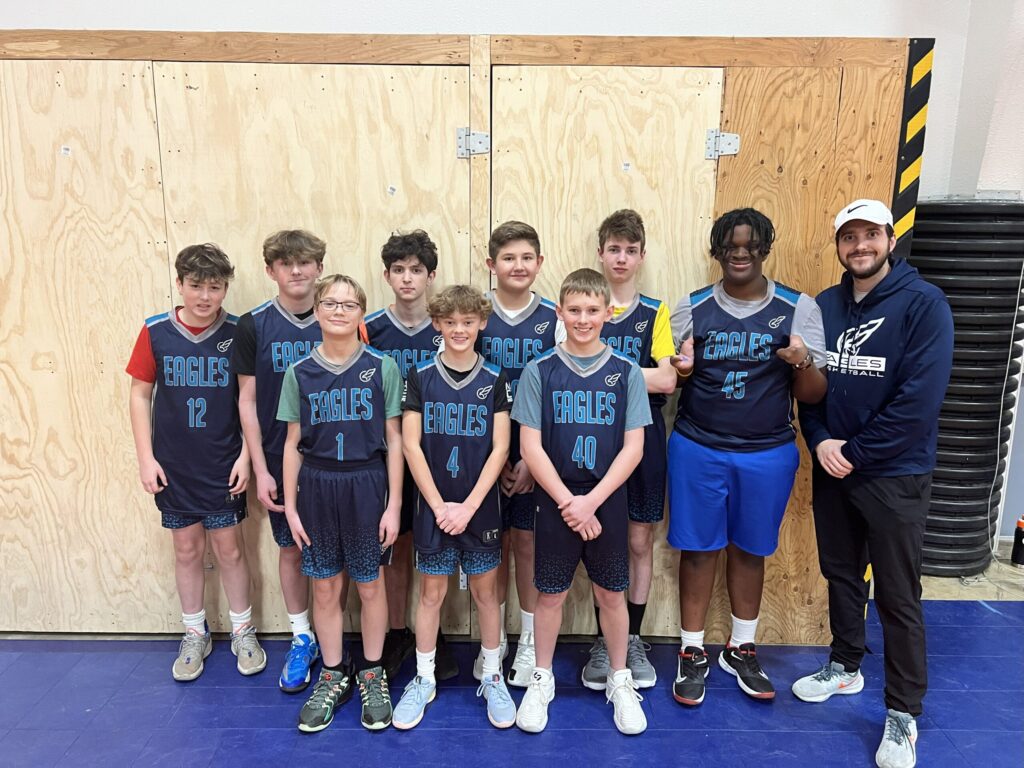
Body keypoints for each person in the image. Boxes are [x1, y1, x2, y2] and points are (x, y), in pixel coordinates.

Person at [793, 199, 953, 768]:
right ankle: (845, 666)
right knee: (841, 573)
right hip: (834, 467)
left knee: (897, 594)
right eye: (849, 237)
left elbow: (918, 403)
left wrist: (852, 453)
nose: (859, 246)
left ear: (888, 238)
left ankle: (904, 713)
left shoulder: (924, 304)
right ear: (839, 245)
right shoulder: (824, 306)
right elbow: (809, 385)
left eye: (869, 235)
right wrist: (819, 440)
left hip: (894, 475)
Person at [668, 208, 827, 706]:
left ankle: (741, 646)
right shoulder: (691, 307)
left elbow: (814, 393)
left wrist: (801, 361)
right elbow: (674, 379)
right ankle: (692, 650)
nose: (741, 253)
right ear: (716, 250)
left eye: (751, 244)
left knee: (750, 549)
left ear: (765, 248)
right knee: (698, 549)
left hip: (767, 451)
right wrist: (683, 371)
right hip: (698, 445)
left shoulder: (797, 308)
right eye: (731, 245)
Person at [513, 268, 649, 736]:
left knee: (610, 593)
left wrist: (591, 501)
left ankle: (619, 679)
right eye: (574, 310)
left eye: (593, 310)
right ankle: (542, 679)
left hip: (605, 498)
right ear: (560, 313)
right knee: (550, 594)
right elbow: (530, 446)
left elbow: (634, 448)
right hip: (556, 498)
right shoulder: (540, 370)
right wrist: (570, 501)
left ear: (609, 313)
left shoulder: (626, 372)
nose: (584, 319)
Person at [127, 243, 266, 682]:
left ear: (225, 287)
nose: (205, 296)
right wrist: (146, 458)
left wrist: (246, 455)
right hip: (174, 465)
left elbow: (250, 400)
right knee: (186, 549)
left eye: (215, 287)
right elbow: (139, 395)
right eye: (196, 286)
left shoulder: (239, 331)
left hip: (223, 463)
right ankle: (194, 632)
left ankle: (243, 630)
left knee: (230, 548)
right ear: (179, 284)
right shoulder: (155, 331)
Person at [279, 274, 403, 732]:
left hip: (366, 482)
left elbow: (395, 438)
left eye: (349, 305)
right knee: (326, 586)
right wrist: (291, 507)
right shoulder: (299, 372)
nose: (338, 311)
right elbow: (292, 443)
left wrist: (393, 504)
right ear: (316, 311)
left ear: (361, 314)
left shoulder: (382, 366)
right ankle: (332, 673)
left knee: (370, 584)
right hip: (317, 483)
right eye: (330, 303)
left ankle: (372, 671)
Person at [393, 284, 517, 730]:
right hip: (433, 507)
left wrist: (467, 507)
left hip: (480, 508)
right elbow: (410, 445)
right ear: (437, 324)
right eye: (450, 322)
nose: (459, 329)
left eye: (468, 321)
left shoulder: (495, 378)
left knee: (487, 594)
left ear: (481, 323)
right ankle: (423, 678)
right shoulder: (420, 376)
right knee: (431, 594)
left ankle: (493, 675)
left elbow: (501, 448)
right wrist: (439, 506)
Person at [584, 209, 676, 691]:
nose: (621, 258)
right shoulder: (584, 306)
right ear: (601, 253)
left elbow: (667, 379)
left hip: (643, 433)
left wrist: (604, 370)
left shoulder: (654, 312)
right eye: (614, 249)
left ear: (642, 256)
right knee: (599, 539)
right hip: (589, 434)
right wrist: (631, 374)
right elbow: (568, 366)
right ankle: (605, 639)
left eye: (630, 250)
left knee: (640, 541)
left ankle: (632, 637)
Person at [233, 230, 329, 693]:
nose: (296, 270)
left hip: (336, 459)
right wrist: (259, 466)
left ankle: (333, 641)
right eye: (286, 263)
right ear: (270, 270)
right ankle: (301, 636)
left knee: (333, 554)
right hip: (278, 457)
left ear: (319, 268)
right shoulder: (254, 325)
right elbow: (247, 401)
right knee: (290, 549)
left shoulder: (339, 316)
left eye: (304, 262)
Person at [363, 231, 457, 683]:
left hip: (440, 453)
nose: (407, 278)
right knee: (397, 545)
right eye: (398, 270)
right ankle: (400, 631)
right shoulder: (369, 328)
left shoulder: (448, 326)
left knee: (436, 547)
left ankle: (432, 632)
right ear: (386, 276)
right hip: (387, 454)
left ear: (430, 276)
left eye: (416, 270)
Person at [477, 221, 563, 686]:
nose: (518, 265)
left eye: (527, 257)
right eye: (508, 258)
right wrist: (495, 457)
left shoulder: (554, 318)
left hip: (537, 451)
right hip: (483, 451)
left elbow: (562, 388)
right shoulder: (476, 313)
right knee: (494, 547)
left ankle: (529, 639)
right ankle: (495, 641)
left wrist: (532, 458)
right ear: (491, 265)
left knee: (528, 543)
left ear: (539, 262)